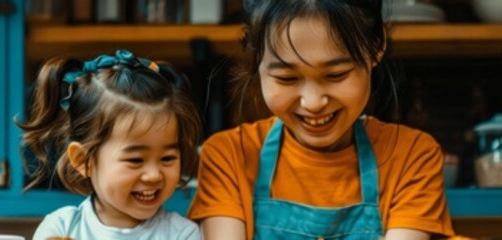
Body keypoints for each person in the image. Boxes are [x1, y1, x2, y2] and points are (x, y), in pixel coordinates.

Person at [187, 0, 454, 239]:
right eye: (287, 78)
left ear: (376, 46)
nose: (313, 103)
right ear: (255, 56)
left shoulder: (411, 156)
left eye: (336, 75)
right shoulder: (229, 157)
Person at [20, 50, 203, 240]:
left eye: (167, 158)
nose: (154, 175)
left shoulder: (183, 234)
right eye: (135, 160)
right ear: (83, 160)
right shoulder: (60, 228)